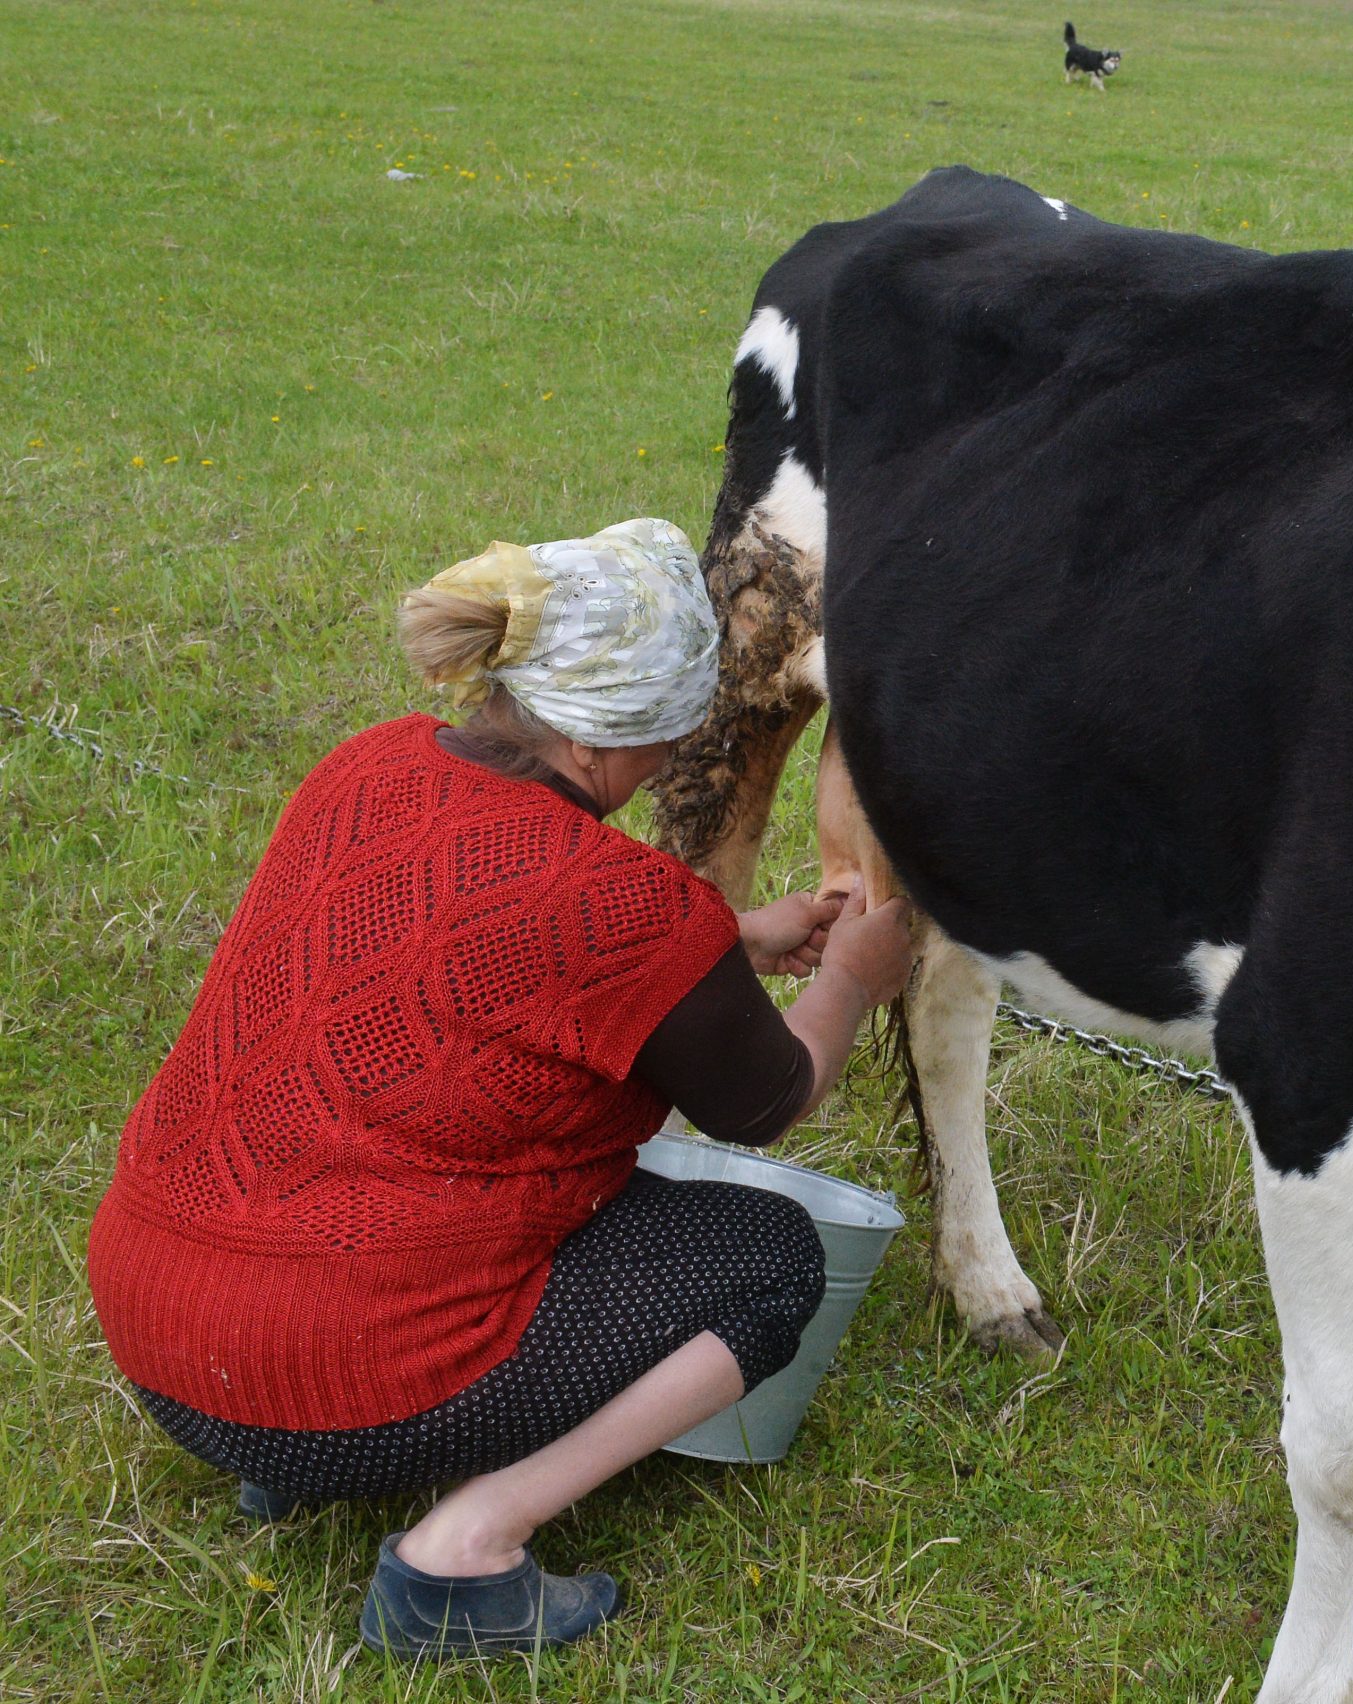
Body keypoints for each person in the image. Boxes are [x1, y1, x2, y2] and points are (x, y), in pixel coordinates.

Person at [86, 519, 914, 1659]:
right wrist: (855, 984)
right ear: (623, 735)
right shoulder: (630, 910)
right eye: (673, 737)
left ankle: (291, 1465)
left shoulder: (368, 763)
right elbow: (765, 1102)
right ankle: (463, 1552)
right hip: (338, 1377)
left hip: (158, 1336)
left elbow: (462, 923)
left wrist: (723, 936)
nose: (673, 760)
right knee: (771, 1261)